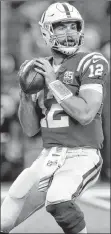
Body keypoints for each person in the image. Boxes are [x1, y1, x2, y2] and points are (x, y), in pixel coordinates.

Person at [1, 2, 109, 234]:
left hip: (83, 153)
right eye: (61, 27)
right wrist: (25, 94)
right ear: (46, 31)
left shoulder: (91, 61)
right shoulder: (38, 69)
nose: (69, 33)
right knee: (4, 219)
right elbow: (30, 129)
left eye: (73, 26)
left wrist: (54, 82)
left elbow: (86, 113)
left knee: (59, 199)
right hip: (48, 156)